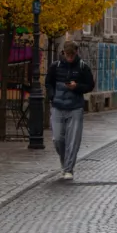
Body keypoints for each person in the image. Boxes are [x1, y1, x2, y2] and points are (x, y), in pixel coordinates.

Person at [45, 40, 95, 181]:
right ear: (63, 53)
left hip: (75, 108)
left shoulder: (82, 67)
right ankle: (65, 161)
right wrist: (52, 96)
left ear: (76, 52)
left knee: (73, 140)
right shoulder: (55, 66)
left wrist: (77, 86)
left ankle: (68, 169)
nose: (70, 57)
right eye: (68, 54)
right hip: (57, 107)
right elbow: (48, 82)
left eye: (72, 54)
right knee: (57, 139)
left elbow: (90, 85)